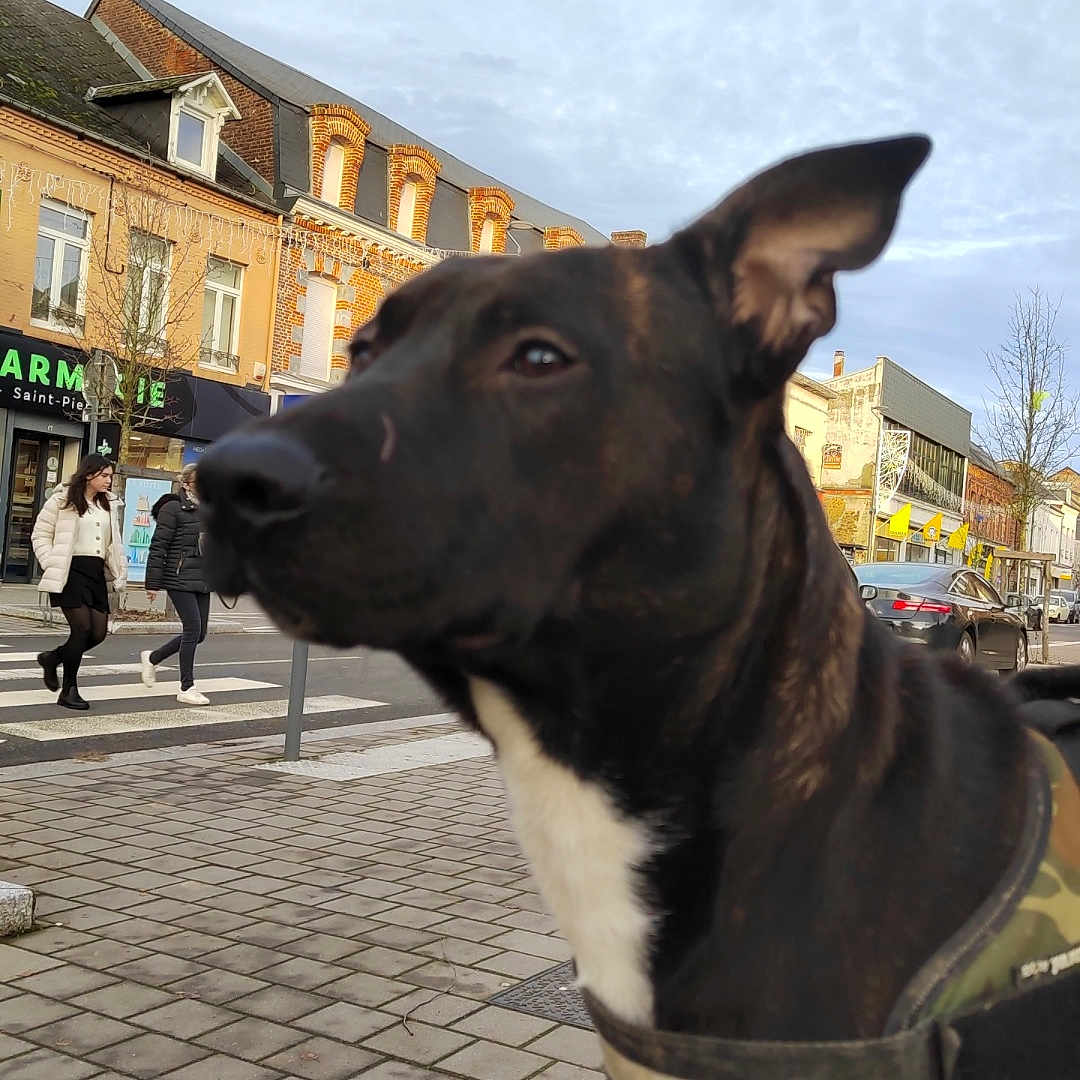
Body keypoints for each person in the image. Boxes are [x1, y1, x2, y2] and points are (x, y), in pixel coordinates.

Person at [32, 454, 126, 711]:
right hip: (69, 571)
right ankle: (69, 690)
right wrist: (50, 561)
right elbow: (40, 534)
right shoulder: (62, 500)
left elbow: (112, 543)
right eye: (104, 475)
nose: (109, 480)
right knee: (81, 629)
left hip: (95, 573)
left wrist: (120, 571)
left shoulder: (109, 504)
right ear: (88, 474)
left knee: (98, 633)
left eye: (110, 476)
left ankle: (53, 658)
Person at [140, 463, 211, 705]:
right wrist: (152, 583)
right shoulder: (173, 508)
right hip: (178, 576)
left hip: (203, 577)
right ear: (186, 484)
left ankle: (153, 658)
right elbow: (159, 545)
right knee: (192, 629)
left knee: (200, 634)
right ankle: (186, 687)